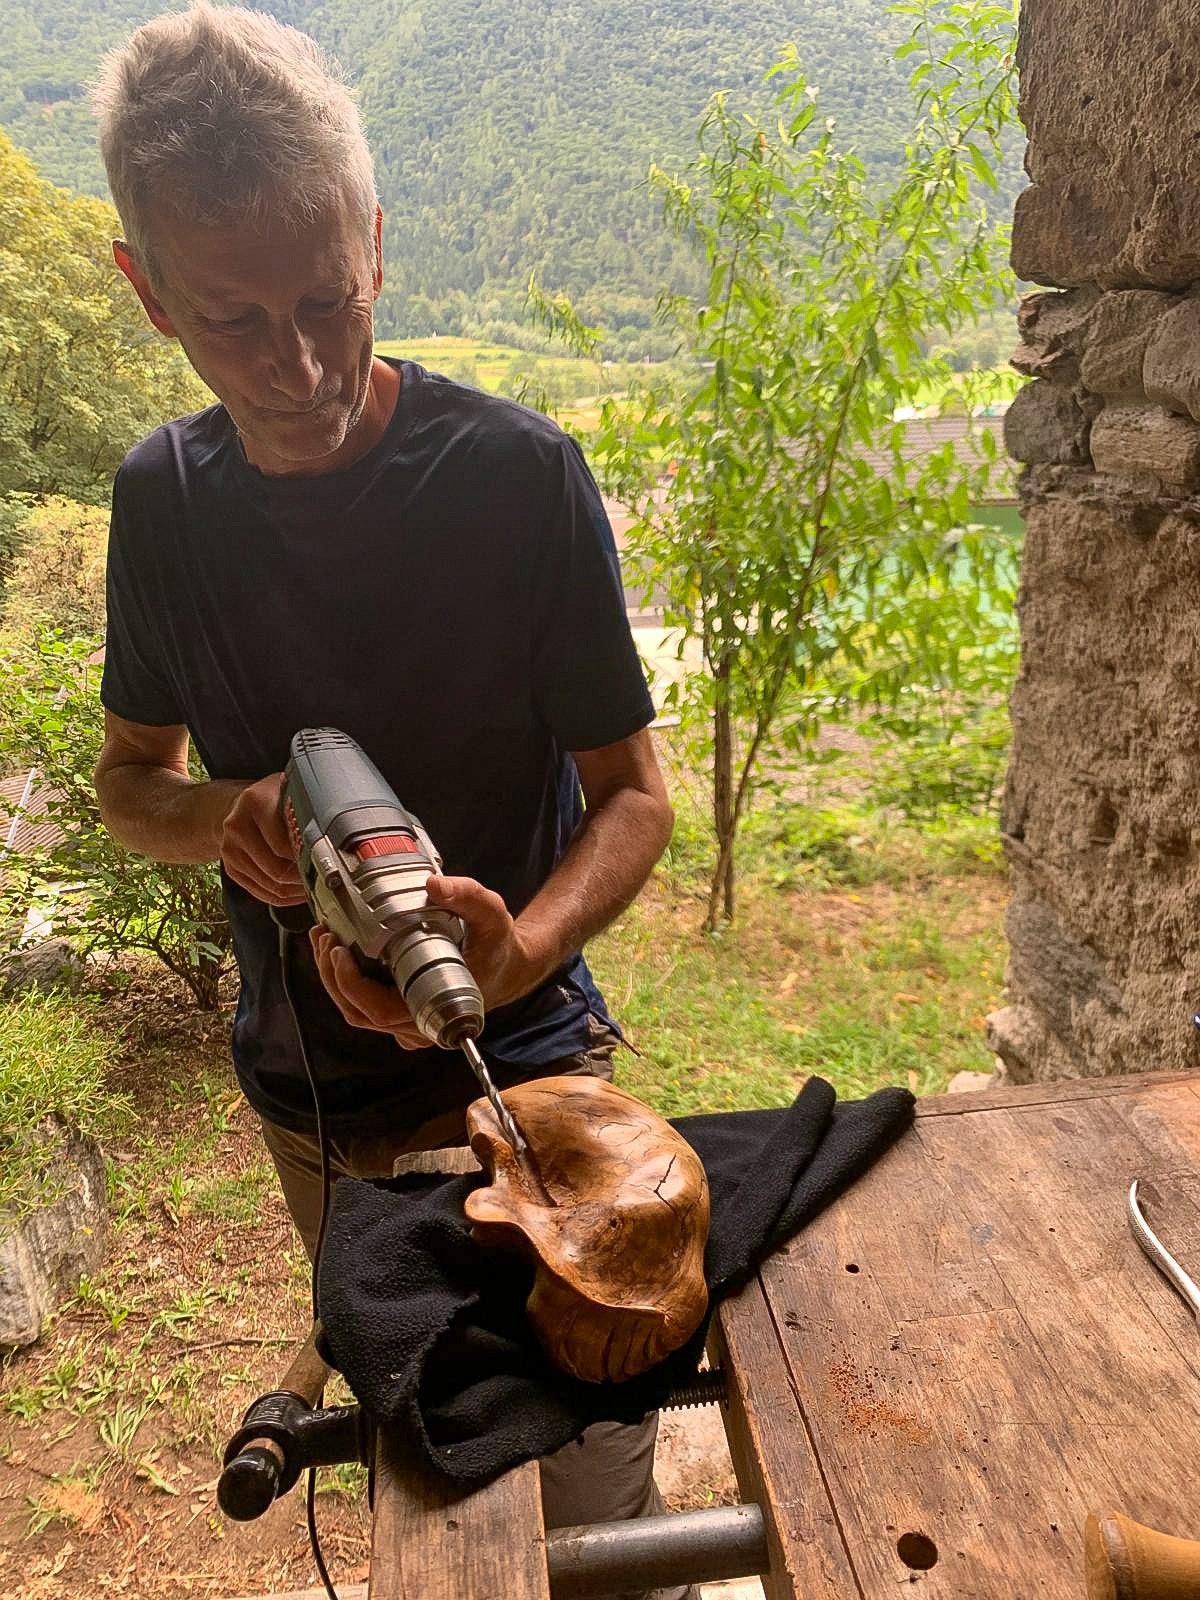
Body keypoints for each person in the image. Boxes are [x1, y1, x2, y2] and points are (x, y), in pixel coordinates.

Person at [90, 6, 689, 1592]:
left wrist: (522, 949)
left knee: (597, 1411)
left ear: (374, 236)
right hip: (311, 1094)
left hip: (527, 1056)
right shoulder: (162, 504)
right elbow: (129, 782)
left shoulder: (516, 478)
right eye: (233, 320)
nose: (296, 366)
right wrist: (225, 815)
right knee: (427, 1426)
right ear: (147, 291)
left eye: (327, 302)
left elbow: (635, 797)